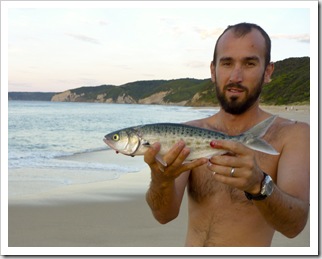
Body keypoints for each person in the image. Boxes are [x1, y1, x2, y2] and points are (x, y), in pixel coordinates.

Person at [144, 22, 310, 247]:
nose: (236, 76)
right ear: (213, 71)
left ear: (267, 72)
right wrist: (161, 180)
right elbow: (164, 215)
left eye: (250, 63)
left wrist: (259, 185)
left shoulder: (293, 135)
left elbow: (294, 226)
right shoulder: (187, 133)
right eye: (227, 63)